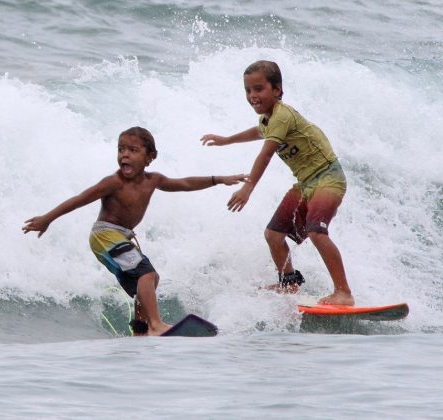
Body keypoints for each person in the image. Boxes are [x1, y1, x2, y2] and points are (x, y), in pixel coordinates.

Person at [23, 126, 248, 335]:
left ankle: (141, 328)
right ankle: (156, 325)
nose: (125, 155)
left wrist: (218, 179)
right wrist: (47, 219)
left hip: (119, 237)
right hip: (104, 235)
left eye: (133, 150)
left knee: (150, 279)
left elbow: (185, 184)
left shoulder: (153, 180)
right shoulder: (113, 182)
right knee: (146, 274)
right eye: (121, 150)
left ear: (149, 157)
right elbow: (79, 199)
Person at [201, 60, 354, 306]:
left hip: (327, 177)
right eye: (248, 90)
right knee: (273, 234)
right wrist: (227, 140)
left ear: (277, 90)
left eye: (258, 89)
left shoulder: (282, 116)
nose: (252, 95)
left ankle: (343, 292)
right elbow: (258, 131)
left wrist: (248, 188)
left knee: (317, 232)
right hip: (305, 183)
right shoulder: (268, 120)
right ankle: (289, 282)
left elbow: (266, 153)